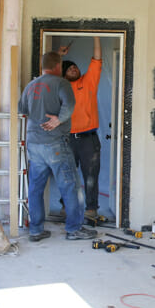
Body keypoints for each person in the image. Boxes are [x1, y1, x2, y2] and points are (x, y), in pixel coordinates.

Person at [17, 51, 95, 241]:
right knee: (71, 187)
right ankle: (74, 229)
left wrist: (39, 114)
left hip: (34, 144)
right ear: (58, 66)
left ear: (43, 66)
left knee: (36, 187)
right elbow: (70, 105)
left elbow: (22, 109)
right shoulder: (61, 83)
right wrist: (58, 120)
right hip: (55, 144)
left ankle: (35, 230)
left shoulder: (30, 85)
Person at [60, 37, 104, 225]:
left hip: (88, 139)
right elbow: (46, 70)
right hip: (67, 139)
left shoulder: (88, 82)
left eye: (75, 67)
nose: (73, 69)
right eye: (69, 68)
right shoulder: (59, 87)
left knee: (91, 176)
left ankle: (91, 210)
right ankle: (66, 207)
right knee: (68, 175)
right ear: (62, 75)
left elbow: (96, 58)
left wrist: (95, 36)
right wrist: (58, 56)